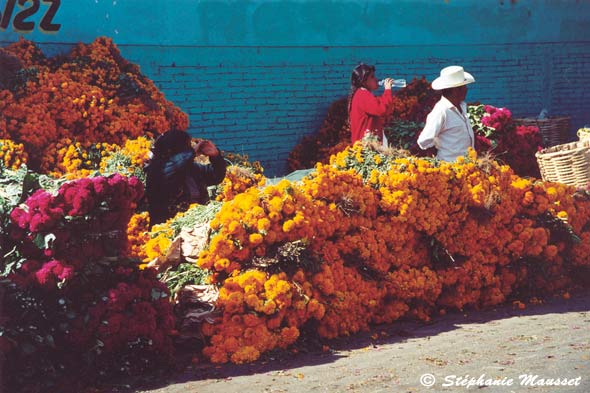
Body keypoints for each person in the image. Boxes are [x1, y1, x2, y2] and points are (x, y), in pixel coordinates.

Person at [144, 129, 227, 227]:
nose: (190, 148)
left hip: (196, 227)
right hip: (168, 231)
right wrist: (191, 153)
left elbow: (216, 176)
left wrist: (216, 156)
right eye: (186, 147)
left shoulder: (192, 169)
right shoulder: (157, 171)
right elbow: (172, 168)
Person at [417, 65, 476, 162]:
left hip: (468, 168)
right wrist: (438, 146)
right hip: (451, 169)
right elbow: (424, 141)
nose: (466, 89)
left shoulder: (462, 106)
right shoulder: (441, 111)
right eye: (463, 86)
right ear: (455, 90)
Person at [348, 63, 395, 145]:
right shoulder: (363, 95)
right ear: (364, 81)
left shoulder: (361, 94)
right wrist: (387, 90)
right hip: (366, 146)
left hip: (366, 144)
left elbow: (381, 106)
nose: (376, 79)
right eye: (372, 77)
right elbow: (381, 110)